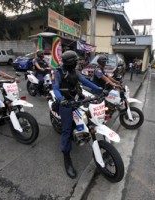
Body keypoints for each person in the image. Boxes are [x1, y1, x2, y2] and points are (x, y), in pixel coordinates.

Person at [53, 50, 102, 179]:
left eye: (76, 62)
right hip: (65, 102)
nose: (76, 64)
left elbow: (86, 82)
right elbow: (56, 88)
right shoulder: (57, 72)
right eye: (74, 62)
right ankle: (66, 156)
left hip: (76, 97)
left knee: (90, 113)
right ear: (69, 63)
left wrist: (99, 89)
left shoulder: (76, 72)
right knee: (67, 130)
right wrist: (61, 100)